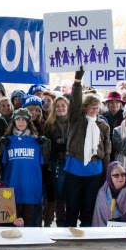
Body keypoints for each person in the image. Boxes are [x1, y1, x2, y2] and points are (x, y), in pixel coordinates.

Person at [63, 68, 111, 227]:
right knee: (71, 208)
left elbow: (107, 150)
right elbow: (75, 103)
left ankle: (87, 245)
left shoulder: (103, 125)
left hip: (94, 172)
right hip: (74, 170)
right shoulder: (76, 119)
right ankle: (68, 241)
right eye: (91, 107)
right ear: (85, 108)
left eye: (97, 107)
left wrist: (106, 172)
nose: (94, 110)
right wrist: (77, 82)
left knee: (88, 210)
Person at [0, 108, 49, 227]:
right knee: (11, 231)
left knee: (31, 228)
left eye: (24, 119)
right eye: (18, 119)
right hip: (11, 191)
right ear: (14, 122)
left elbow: (44, 163)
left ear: (28, 122)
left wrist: (46, 149)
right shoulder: (7, 141)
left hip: (31, 191)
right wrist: (0, 149)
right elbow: (0, 166)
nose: (21, 122)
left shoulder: (37, 142)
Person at [43, 94, 71, 227]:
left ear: (67, 107)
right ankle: (60, 222)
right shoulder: (50, 124)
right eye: (58, 106)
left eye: (63, 105)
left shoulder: (73, 122)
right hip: (57, 162)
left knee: (71, 193)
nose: (60, 108)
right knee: (59, 193)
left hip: (72, 162)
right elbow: (49, 147)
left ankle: (70, 222)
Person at [92, 161, 126, 227]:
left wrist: (122, 219)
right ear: (109, 177)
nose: (120, 178)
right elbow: (99, 217)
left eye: (123, 174)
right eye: (116, 175)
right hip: (106, 229)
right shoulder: (103, 192)